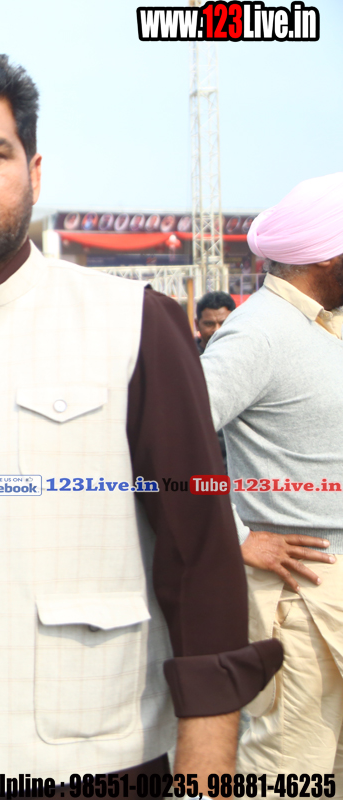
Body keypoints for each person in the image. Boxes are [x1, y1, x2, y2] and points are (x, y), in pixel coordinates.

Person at [0, 48, 280, 791]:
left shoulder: (132, 323)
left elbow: (199, 554)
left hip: (88, 755)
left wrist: (207, 756)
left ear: (34, 171)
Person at [201, 172, 343, 776]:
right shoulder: (258, 332)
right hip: (300, 596)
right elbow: (159, 443)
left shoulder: (322, 326)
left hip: (331, 589)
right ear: (330, 255)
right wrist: (236, 537)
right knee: (291, 771)